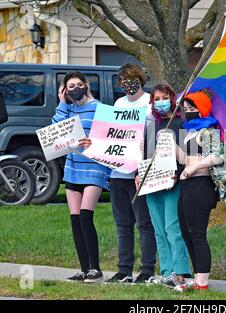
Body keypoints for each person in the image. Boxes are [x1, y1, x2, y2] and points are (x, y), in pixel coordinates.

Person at [52, 72, 111, 283]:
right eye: (70, 86)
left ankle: (95, 269)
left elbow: (109, 137)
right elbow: (57, 133)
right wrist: (61, 102)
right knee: (75, 220)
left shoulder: (99, 108)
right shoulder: (68, 109)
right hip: (73, 169)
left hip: (94, 169)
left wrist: (92, 142)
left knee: (86, 217)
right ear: (65, 90)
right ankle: (84, 268)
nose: (75, 88)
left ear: (85, 85)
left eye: (78, 84)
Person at [106, 64, 157, 284]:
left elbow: (155, 135)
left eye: (132, 78)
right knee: (122, 224)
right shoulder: (119, 103)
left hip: (141, 172)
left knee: (144, 224)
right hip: (118, 172)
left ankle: (147, 269)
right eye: (123, 80)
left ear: (140, 79)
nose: (128, 83)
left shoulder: (149, 102)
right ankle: (124, 269)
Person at [175, 89, 225, 291]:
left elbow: (219, 155)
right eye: (185, 107)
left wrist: (194, 167)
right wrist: (169, 142)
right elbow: (184, 160)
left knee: (197, 234)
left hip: (201, 186)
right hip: (186, 185)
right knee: (186, 233)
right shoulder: (189, 132)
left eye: (192, 107)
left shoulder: (209, 130)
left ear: (202, 108)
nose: (187, 110)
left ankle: (202, 283)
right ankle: (197, 278)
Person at [142, 83, 191, 288]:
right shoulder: (151, 126)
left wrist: (177, 175)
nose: (160, 102)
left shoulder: (182, 123)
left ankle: (180, 272)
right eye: (156, 98)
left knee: (173, 228)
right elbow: (146, 155)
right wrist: (140, 175)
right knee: (159, 230)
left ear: (172, 98)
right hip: (152, 185)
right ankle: (166, 271)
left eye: (164, 97)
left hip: (173, 184)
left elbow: (189, 157)